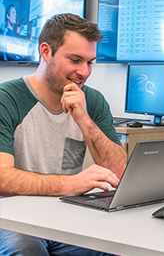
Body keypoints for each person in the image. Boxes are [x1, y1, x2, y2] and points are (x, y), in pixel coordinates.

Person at [0, 14, 127, 255]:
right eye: (75, 60)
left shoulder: (93, 101)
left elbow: (120, 173)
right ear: (46, 52)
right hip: (9, 218)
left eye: (90, 62)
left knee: (115, 246)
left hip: (63, 216)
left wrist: (85, 121)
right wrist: (71, 184)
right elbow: (2, 179)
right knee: (26, 248)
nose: (84, 72)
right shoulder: (6, 99)